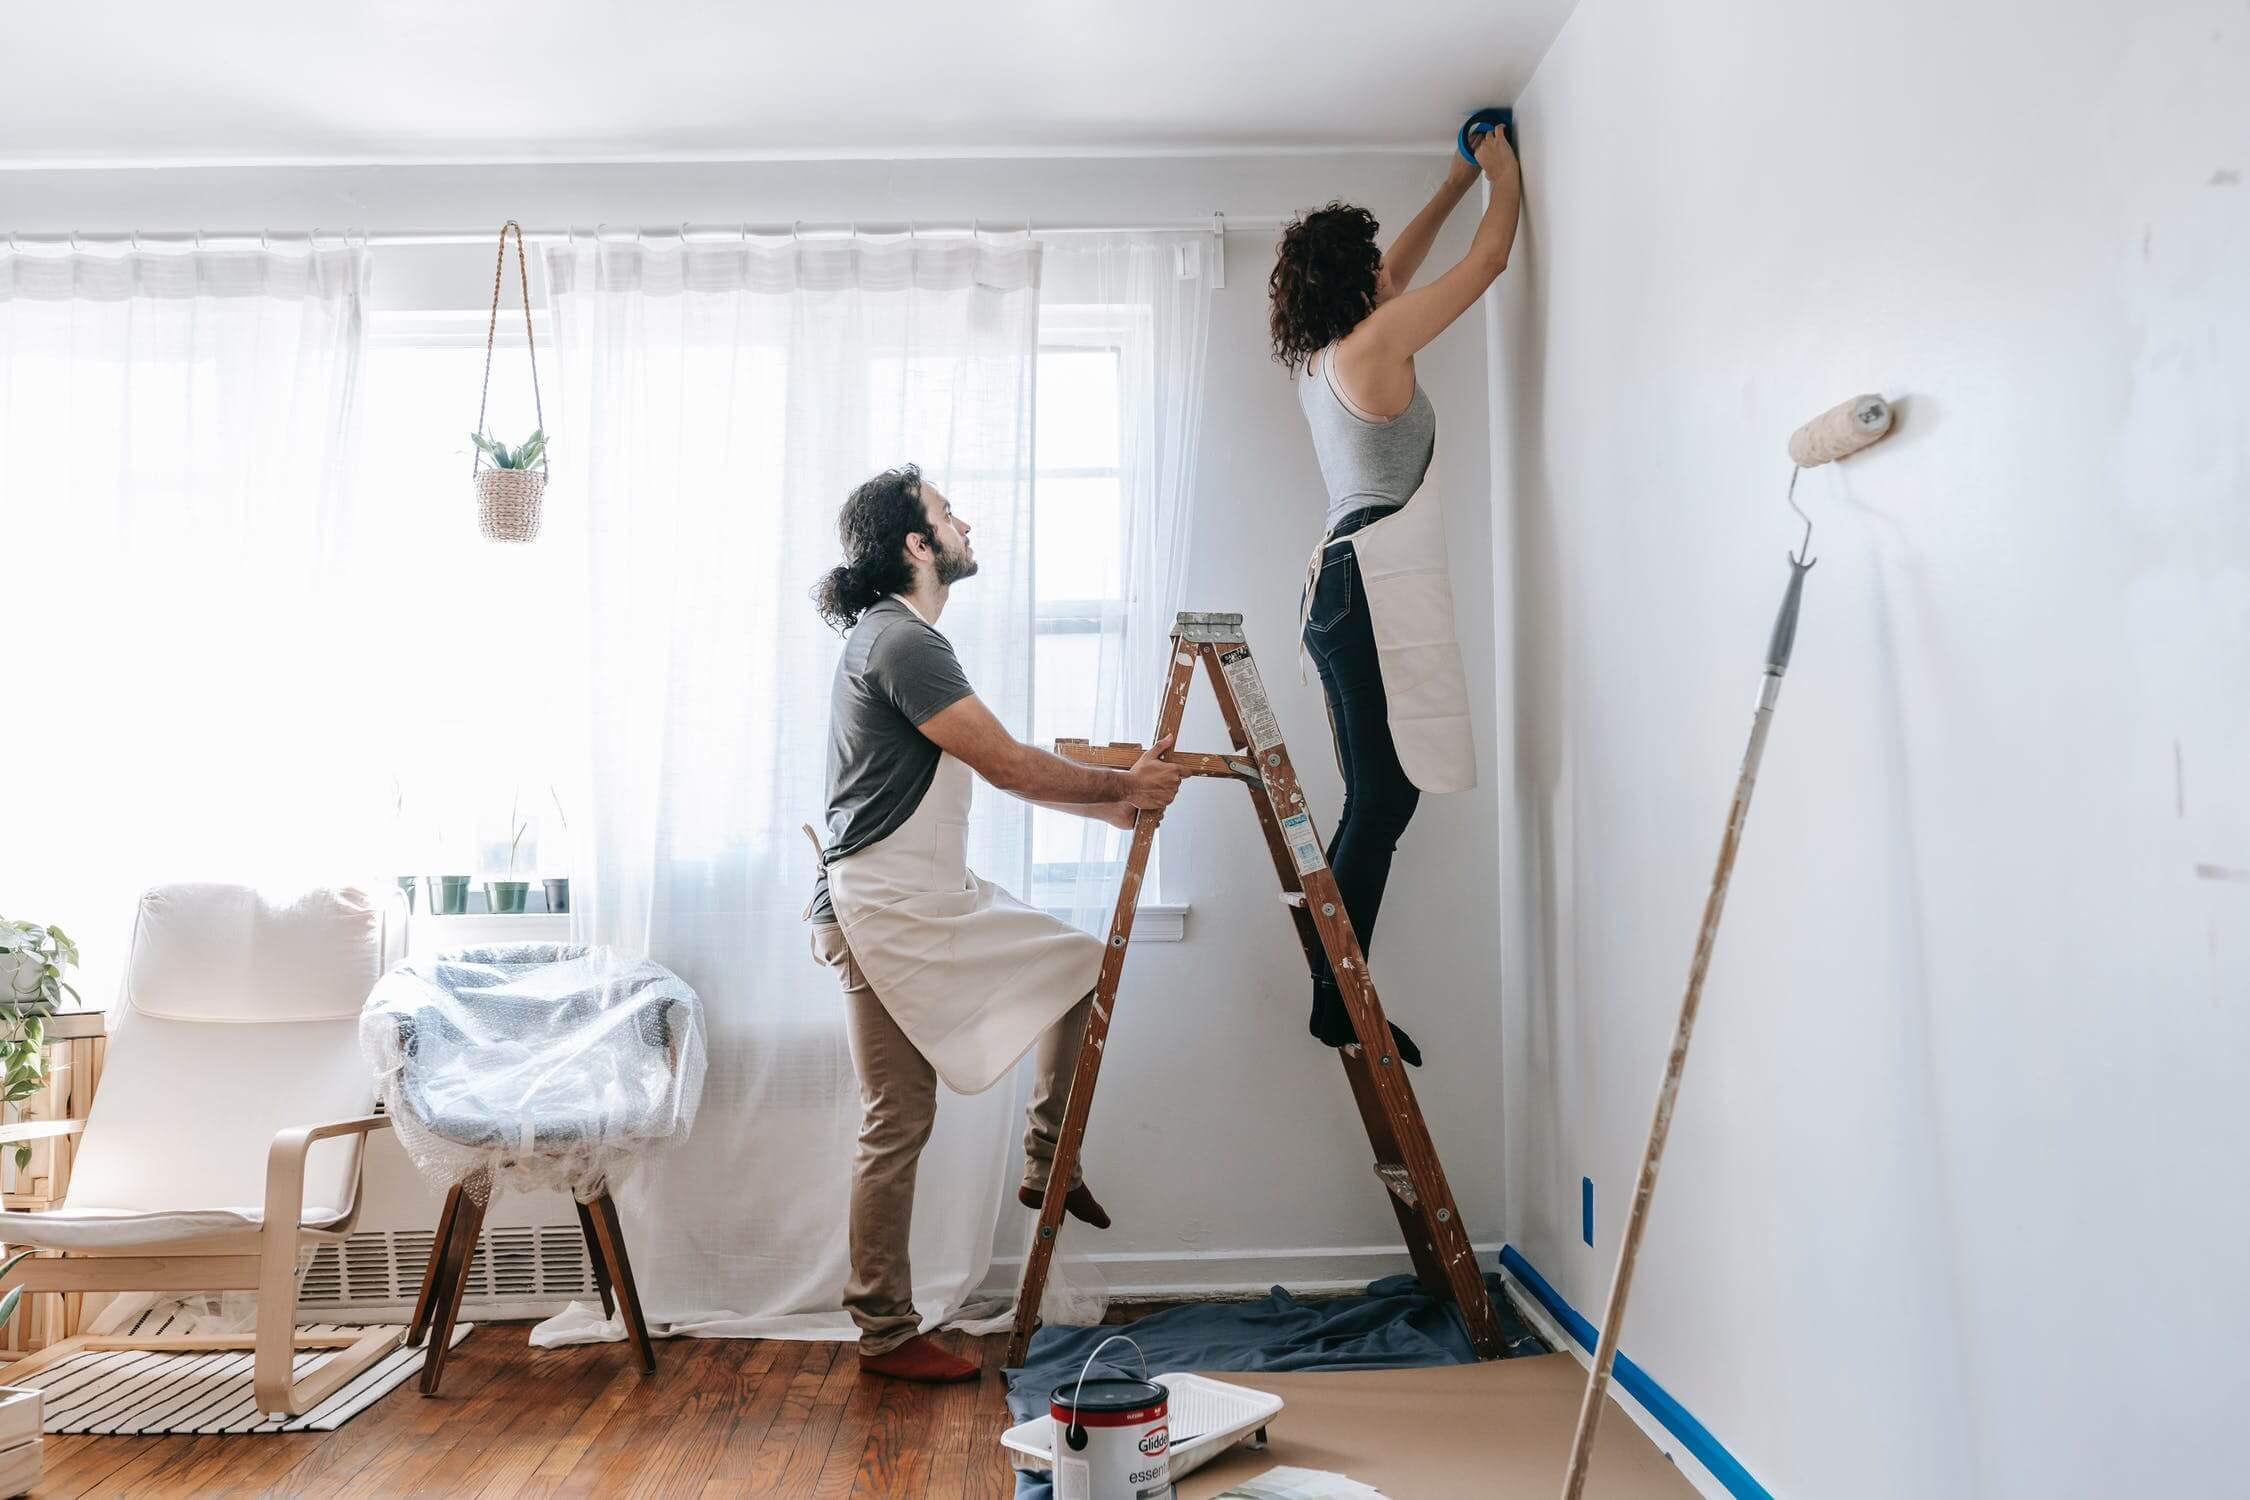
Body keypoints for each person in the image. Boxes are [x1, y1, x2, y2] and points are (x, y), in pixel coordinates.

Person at [805, 464, 1186, 1383]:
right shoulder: (902, 643)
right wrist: (1123, 791)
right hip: (887, 905)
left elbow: (994, 770)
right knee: (896, 1119)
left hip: (916, 891)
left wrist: (1111, 809)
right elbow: (1009, 765)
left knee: (1076, 967)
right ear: (915, 543)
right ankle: (887, 1333)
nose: (961, 522)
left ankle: (1048, 1151)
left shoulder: (892, 637)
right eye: (945, 513)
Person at [1268, 123, 1522, 1067]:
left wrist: (1453, 182)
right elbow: (1491, 264)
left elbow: (1400, 271)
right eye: (1373, 265)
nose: (1390, 272)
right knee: (1380, 801)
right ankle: (1337, 992)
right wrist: (1500, 177)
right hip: (1363, 581)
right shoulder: (1373, 343)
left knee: (1378, 796)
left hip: (1338, 585)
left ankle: (1336, 986)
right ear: (1355, 281)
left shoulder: (1327, 356)